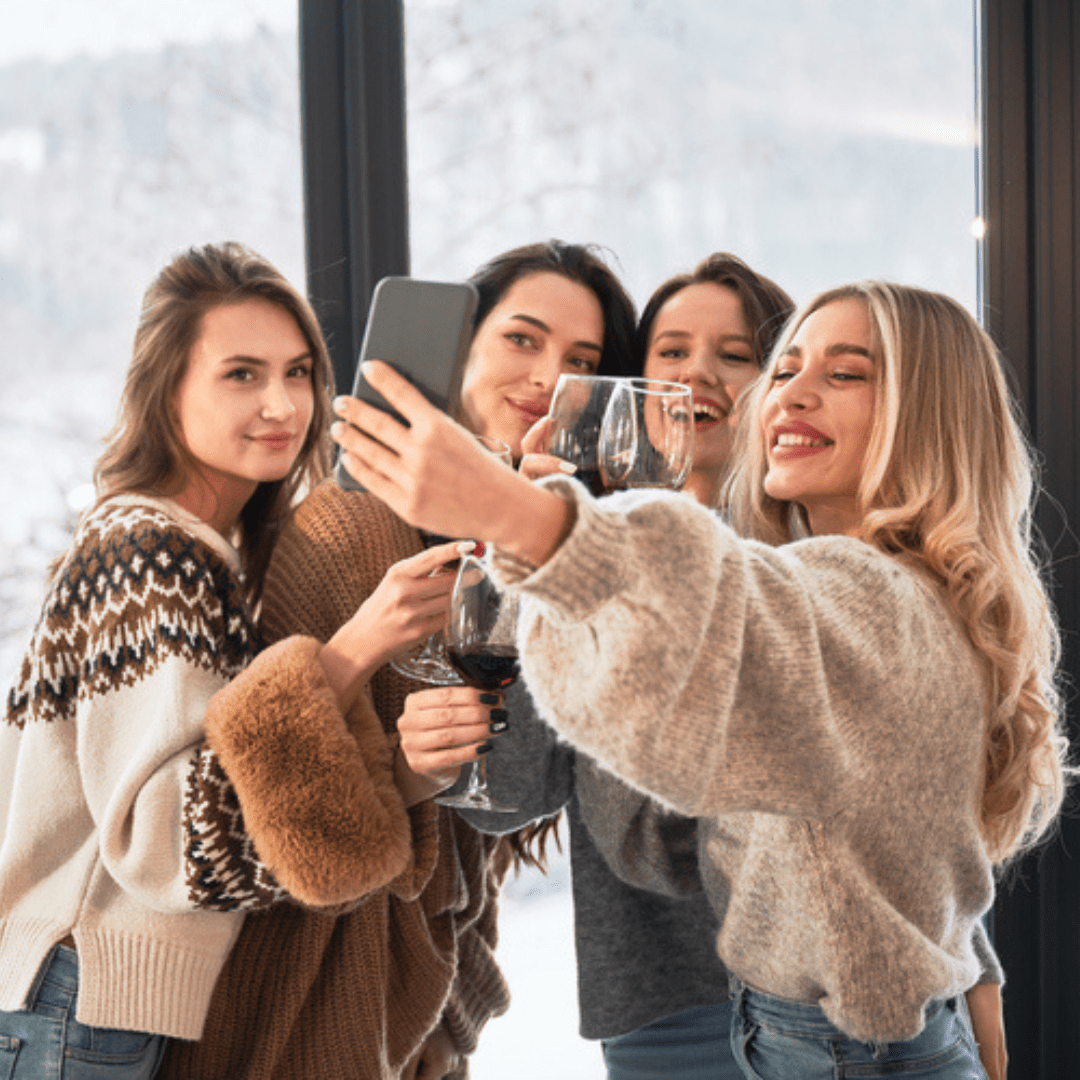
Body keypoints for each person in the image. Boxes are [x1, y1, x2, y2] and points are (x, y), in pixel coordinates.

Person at [331, 281, 1068, 1080]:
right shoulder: (863, 578)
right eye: (786, 370)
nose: (794, 394)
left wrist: (522, 515)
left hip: (836, 1043)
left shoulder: (839, 587)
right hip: (776, 1026)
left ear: (931, 414)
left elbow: (729, 614)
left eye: (846, 373)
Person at [158, 238, 635, 1080]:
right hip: (317, 1014)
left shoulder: (511, 546)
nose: (545, 377)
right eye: (522, 340)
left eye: (580, 360)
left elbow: (507, 797)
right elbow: (295, 815)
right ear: (460, 346)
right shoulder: (352, 529)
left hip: (420, 1019)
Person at [411, 252, 793, 1080]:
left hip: (834, 1000)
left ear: (775, 381)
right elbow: (508, 795)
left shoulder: (817, 558)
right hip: (664, 1008)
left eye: (735, 354)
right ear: (635, 389)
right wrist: (530, 564)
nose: (700, 372)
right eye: (672, 352)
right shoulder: (584, 556)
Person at [0, 242, 335, 1077]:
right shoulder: (154, 554)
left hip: (78, 1000)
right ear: (166, 389)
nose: (283, 403)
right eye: (242, 374)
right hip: (82, 997)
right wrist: (355, 656)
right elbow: (167, 841)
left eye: (298, 373)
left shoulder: (188, 550)